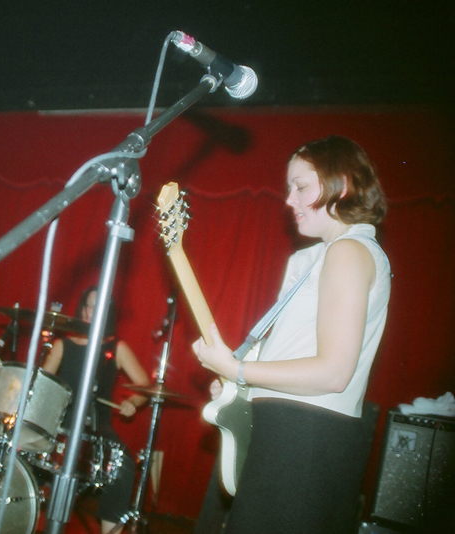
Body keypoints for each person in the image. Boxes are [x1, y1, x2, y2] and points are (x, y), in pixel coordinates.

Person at [192, 136, 391, 534]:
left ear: (343, 184)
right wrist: (240, 385)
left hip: (304, 441)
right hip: (289, 432)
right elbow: (301, 353)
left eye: (301, 186)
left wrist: (239, 369)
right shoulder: (319, 256)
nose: (289, 199)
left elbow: (333, 372)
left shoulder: (348, 252)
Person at [42, 286, 151, 534]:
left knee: (124, 468)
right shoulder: (62, 345)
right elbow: (41, 385)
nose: (91, 311)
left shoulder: (117, 347)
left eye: (98, 306)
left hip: (98, 430)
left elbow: (145, 386)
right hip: (62, 428)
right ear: (82, 308)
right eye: (88, 304)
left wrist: (132, 402)